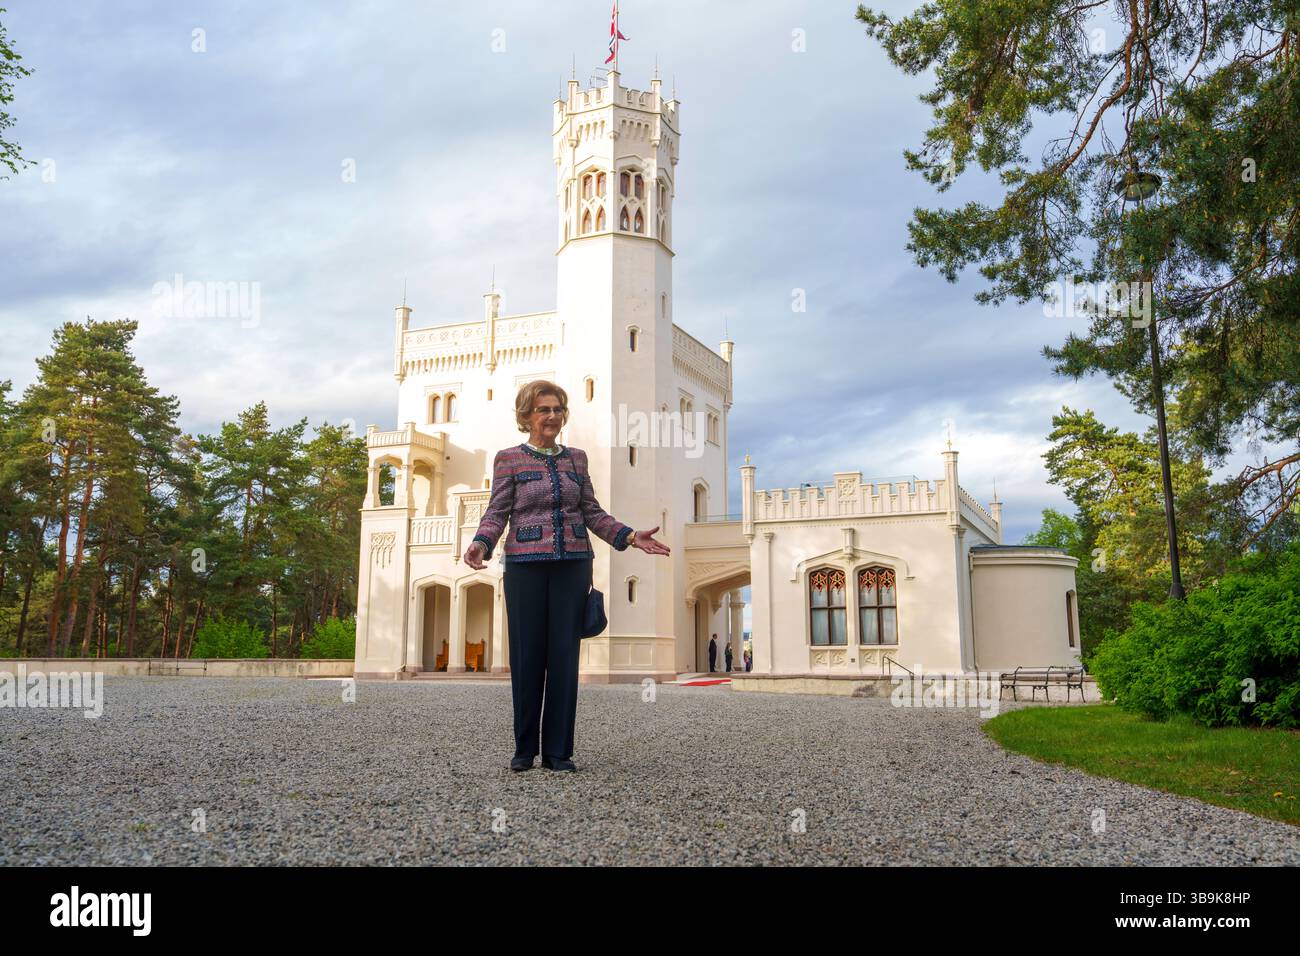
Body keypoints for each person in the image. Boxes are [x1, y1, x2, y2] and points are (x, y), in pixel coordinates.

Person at [464, 381, 670, 773]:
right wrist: (482, 543)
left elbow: (592, 512)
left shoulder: (577, 459)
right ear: (526, 415)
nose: (552, 416)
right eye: (543, 409)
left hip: (573, 565)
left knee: (563, 658)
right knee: (527, 657)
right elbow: (497, 511)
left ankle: (558, 751)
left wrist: (628, 536)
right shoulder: (509, 459)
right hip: (524, 567)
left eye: (557, 409)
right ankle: (525, 749)